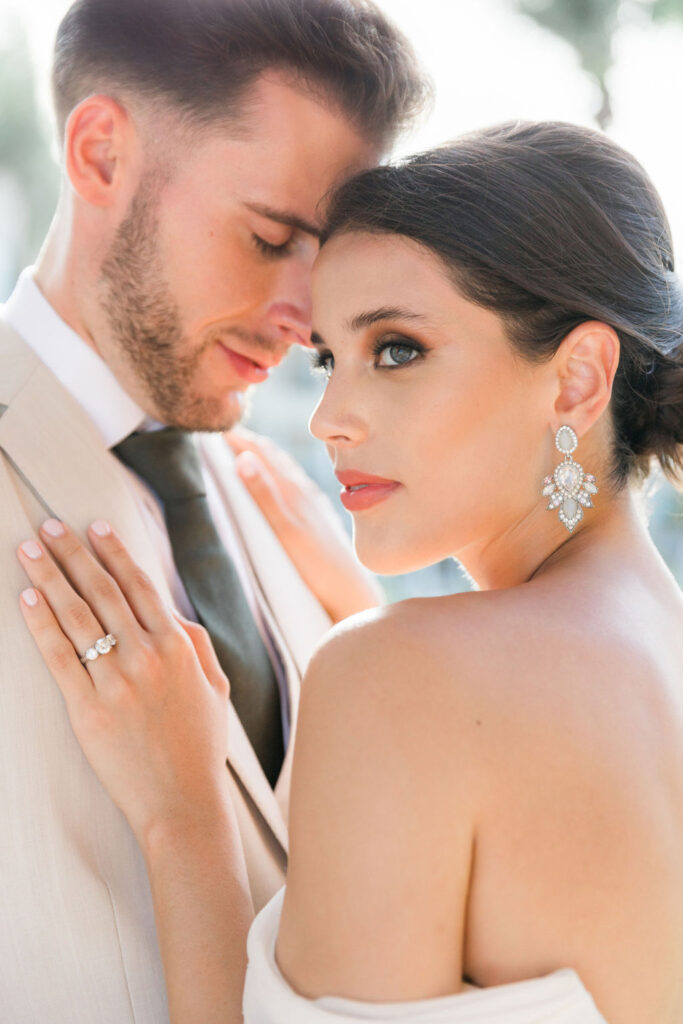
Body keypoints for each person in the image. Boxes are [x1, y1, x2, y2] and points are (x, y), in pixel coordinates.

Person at [16, 121, 683, 1024]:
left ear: (575, 379)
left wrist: (185, 817)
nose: (329, 417)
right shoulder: (653, 641)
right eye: (328, 357)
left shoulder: (399, 680)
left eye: (396, 349)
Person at [0, 0, 428, 1019]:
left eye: (324, 257)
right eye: (269, 236)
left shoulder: (274, 494)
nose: (305, 316)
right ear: (101, 155)